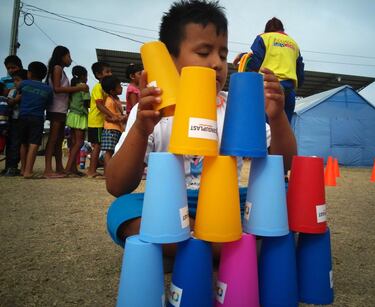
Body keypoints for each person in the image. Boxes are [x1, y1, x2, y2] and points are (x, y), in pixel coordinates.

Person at [105, 0, 297, 248]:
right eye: (204, 53)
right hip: (171, 204)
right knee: (122, 212)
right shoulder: (153, 108)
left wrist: (277, 116)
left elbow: (286, 165)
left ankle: (192, 246)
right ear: (169, 59)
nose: (217, 63)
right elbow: (117, 185)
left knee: (287, 198)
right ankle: (236, 248)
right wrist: (141, 130)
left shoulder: (234, 106)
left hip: (226, 203)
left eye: (223, 54)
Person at [233, 17, 304, 123]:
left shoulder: (264, 38)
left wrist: (242, 56)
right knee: (282, 132)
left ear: (266, 30)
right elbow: (300, 74)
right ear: (282, 29)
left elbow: (255, 63)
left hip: (269, 89)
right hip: (289, 93)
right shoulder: (294, 44)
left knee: (264, 130)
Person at [44, 46, 88, 178]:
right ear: (62, 56)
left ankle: (59, 167)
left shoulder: (61, 71)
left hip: (62, 109)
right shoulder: (57, 68)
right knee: (53, 139)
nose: (70, 59)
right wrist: (77, 88)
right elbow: (57, 88)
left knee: (58, 140)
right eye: (68, 56)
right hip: (56, 108)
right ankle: (48, 169)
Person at [15, 61, 53, 178]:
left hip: (22, 116)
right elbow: (49, 104)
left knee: (23, 143)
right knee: (34, 143)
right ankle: (28, 171)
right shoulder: (48, 89)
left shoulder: (23, 84)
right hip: (37, 118)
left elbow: (18, 93)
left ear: (29, 73)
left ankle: (22, 169)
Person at [87, 62, 113, 178]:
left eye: (110, 71)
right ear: (98, 74)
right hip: (96, 121)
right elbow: (99, 105)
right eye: (107, 71)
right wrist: (112, 115)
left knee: (98, 145)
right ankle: (91, 171)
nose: (110, 73)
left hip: (100, 121)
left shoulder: (105, 89)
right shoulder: (98, 87)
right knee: (97, 146)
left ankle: (93, 168)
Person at [64, 65, 90, 176]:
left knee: (74, 143)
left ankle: (73, 168)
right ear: (83, 76)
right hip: (80, 116)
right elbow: (87, 102)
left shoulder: (72, 86)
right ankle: (68, 168)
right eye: (86, 76)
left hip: (72, 115)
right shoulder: (84, 86)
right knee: (79, 143)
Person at [0, 55, 24, 176]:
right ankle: (8, 166)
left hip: (18, 116)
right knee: (8, 143)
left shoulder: (23, 80)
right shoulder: (3, 81)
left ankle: (12, 166)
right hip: (5, 117)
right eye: (8, 68)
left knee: (15, 142)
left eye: (13, 67)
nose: (10, 70)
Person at [100, 75, 126, 168]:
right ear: (112, 91)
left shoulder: (117, 99)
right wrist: (118, 119)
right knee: (109, 152)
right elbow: (107, 117)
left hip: (117, 129)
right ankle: (107, 172)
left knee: (114, 151)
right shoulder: (109, 101)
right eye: (119, 87)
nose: (121, 88)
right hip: (110, 130)